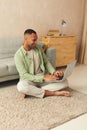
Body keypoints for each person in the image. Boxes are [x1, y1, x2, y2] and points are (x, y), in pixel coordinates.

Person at [14, 29, 70, 98]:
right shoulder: (18, 55)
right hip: (29, 80)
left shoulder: (38, 48)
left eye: (36, 40)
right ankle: (53, 93)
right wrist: (43, 78)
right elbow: (24, 75)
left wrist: (54, 72)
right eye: (33, 40)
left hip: (42, 77)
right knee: (21, 87)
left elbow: (46, 62)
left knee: (65, 82)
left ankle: (34, 91)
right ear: (25, 39)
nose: (35, 42)